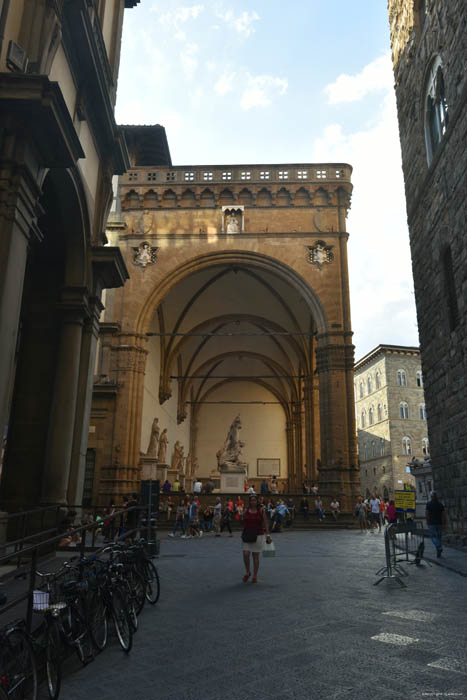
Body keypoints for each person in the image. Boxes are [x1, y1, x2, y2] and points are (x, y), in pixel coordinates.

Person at [241, 495, 272, 583]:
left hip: (258, 535)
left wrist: (268, 536)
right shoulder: (246, 510)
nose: (253, 502)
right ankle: (248, 572)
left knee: (255, 556)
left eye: (254, 500)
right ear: (249, 501)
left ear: (257, 501)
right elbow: (242, 522)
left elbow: (266, 523)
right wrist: (241, 516)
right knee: (246, 554)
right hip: (247, 534)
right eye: (251, 500)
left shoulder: (261, 510)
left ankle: (255, 575)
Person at [426, 491, 446, 557]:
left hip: (432, 523)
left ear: (431, 497)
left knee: (433, 537)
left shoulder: (428, 504)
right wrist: (444, 524)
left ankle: (438, 547)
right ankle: (438, 552)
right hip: (439, 523)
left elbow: (427, 514)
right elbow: (443, 515)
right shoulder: (440, 504)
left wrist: (427, 522)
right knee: (439, 537)